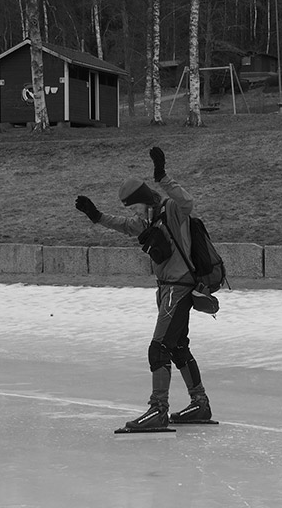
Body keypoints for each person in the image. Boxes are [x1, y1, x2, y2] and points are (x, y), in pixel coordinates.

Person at [74, 147, 214, 432]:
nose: (133, 213)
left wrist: (162, 176)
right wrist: (96, 215)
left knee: (158, 348)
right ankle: (199, 403)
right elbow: (125, 226)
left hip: (179, 289)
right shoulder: (146, 221)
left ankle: (158, 409)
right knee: (176, 346)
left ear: (144, 200)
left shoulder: (172, 212)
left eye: (134, 206)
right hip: (166, 290)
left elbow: (187, 201)